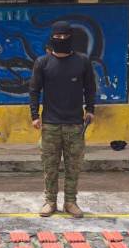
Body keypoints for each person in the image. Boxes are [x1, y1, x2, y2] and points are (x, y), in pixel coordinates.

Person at [29, 20, 97, 218]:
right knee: (49, 166)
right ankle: (50, 201)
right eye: (57, 37)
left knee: (73, 167)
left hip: (75, 124)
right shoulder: (43, 62)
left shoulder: (83, 61)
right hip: (50, 124)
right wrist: (34, 115)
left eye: (65, 37)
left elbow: (90, 88)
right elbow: (34, 90)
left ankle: (70, 202)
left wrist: (90, 110)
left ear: (71, 38)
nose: (61, 40)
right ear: (52, 38)